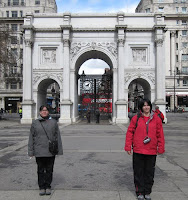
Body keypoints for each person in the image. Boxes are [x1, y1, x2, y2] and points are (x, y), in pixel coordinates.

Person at [124, 99, 165, 200]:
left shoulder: (157, 119)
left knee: (149, 172)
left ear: (150, 106)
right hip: (138, 150)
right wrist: (128, 146)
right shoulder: (135, 118)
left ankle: (147, 191)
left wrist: (161, 147)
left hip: (151, 150)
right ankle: (140, 192)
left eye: (148, 105)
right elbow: (130, 132)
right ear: (141, 107)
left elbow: (160, 134)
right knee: (138, 172)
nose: (146, 107)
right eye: (144, 106)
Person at [28, 105, 63, 196]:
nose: (44, 112)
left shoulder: (53, 122)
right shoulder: (35, 123)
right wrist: (30, 151)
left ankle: (48, 186)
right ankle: (41, 187)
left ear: (48, 112)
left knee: (49, 170)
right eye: (42, 110)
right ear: (39, 112)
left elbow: (57, 137)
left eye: (46, 110)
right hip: (39, 150)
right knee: (40, 170)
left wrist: (59, 150)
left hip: (50, 151)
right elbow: (31, 137)